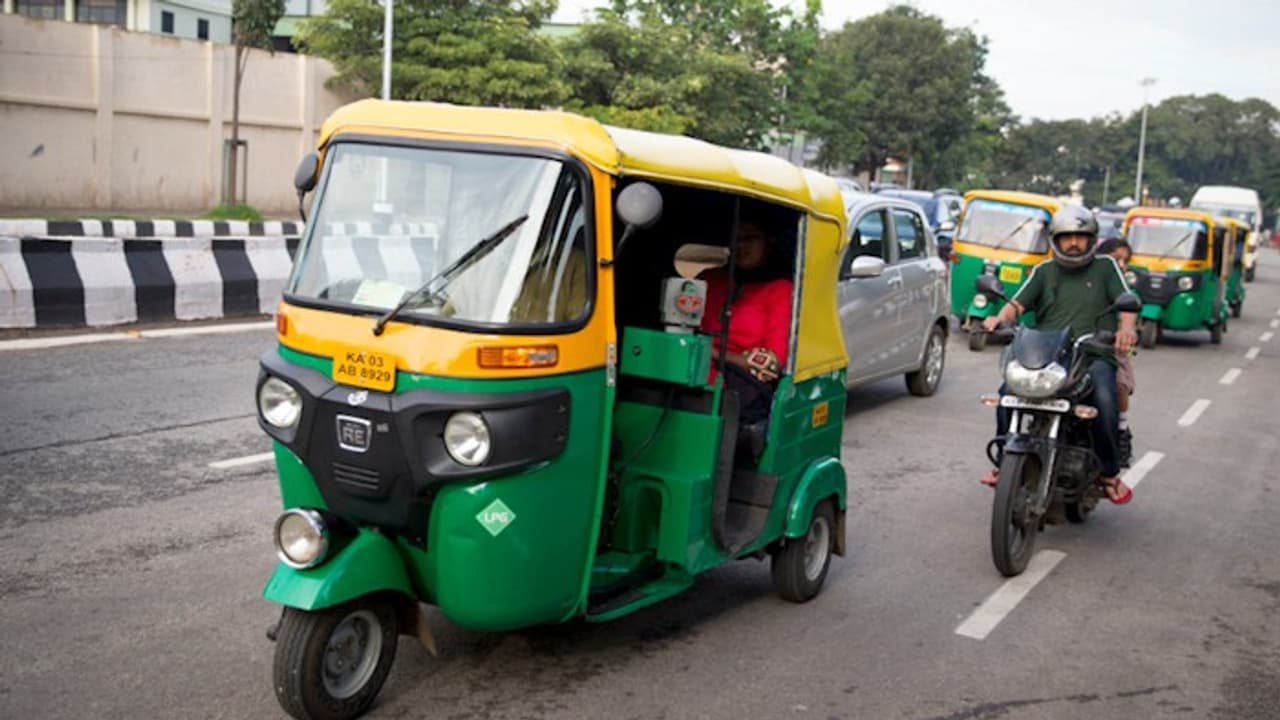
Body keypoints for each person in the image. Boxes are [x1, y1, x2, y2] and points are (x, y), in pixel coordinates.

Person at [979, 206, 1138, 505]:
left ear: (1092, 240)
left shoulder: (1106, 267)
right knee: (1006, 394)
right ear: (1056, 240)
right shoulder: (1044, 271)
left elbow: (1126, 304)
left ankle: (1108, 473)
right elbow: (1017, 304)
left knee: (1105, 397)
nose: (1074, 243)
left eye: (1081, 236)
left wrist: (1125, 330)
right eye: (1068, 238)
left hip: (1093, 354)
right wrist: (998, 319)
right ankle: (1004, 463)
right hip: (1047, 356)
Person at [700, 216, 794, 426]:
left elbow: (770, 364)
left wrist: (713, 354)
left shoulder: (779, 289)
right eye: (736, 238)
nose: (741, 245)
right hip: (695, 373)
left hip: (740, 388)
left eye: (750, 238)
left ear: (769, 242)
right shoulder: (709, 279)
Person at [1097, 238, 1136, 467]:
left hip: (1107, 347)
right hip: (1069, 345)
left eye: (1125, 261)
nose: (1121, 265)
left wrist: (1125, 331)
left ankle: (1120, 431)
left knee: (1118, 385)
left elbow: (1128, 312)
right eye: (1116, 259)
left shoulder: (1121, 288)